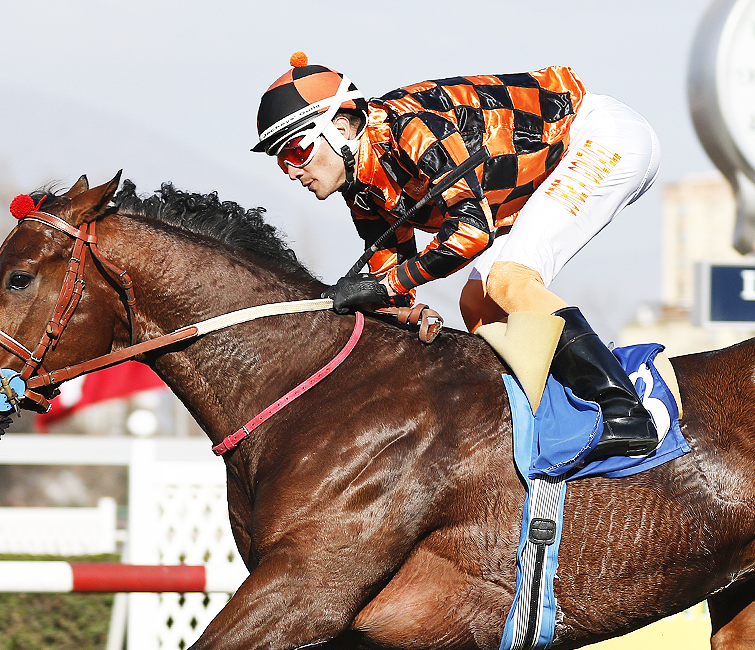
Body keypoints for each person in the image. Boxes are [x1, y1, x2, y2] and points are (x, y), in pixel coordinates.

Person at [251, 53, 662, 459]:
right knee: (478, 303)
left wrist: (386, 286)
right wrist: (398, 311)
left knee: (509, 279)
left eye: (296, 152)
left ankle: (626, 413)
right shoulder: (361, 186)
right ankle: (563, 409)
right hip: (534, 180)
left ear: (340, 128)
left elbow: (471, 232)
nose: (292, 172)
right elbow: (389, 277)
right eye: (281, 162)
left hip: (598, 138)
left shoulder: (410, 130)